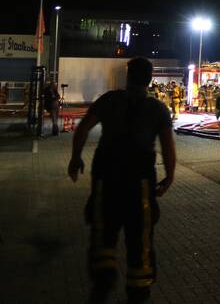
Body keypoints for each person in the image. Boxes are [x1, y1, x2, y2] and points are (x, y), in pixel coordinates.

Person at [67, 57, 175, 304]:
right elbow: (168, 147)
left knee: (103, 230)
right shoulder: (157, 109)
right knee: (140, 240)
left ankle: (103, 281)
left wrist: (75, 159)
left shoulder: (109, 100)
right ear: (149, 79)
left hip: (107, 179)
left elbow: (83, 128)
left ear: (128, 76)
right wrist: (169, 177)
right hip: (140, 184)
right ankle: (137, 291)